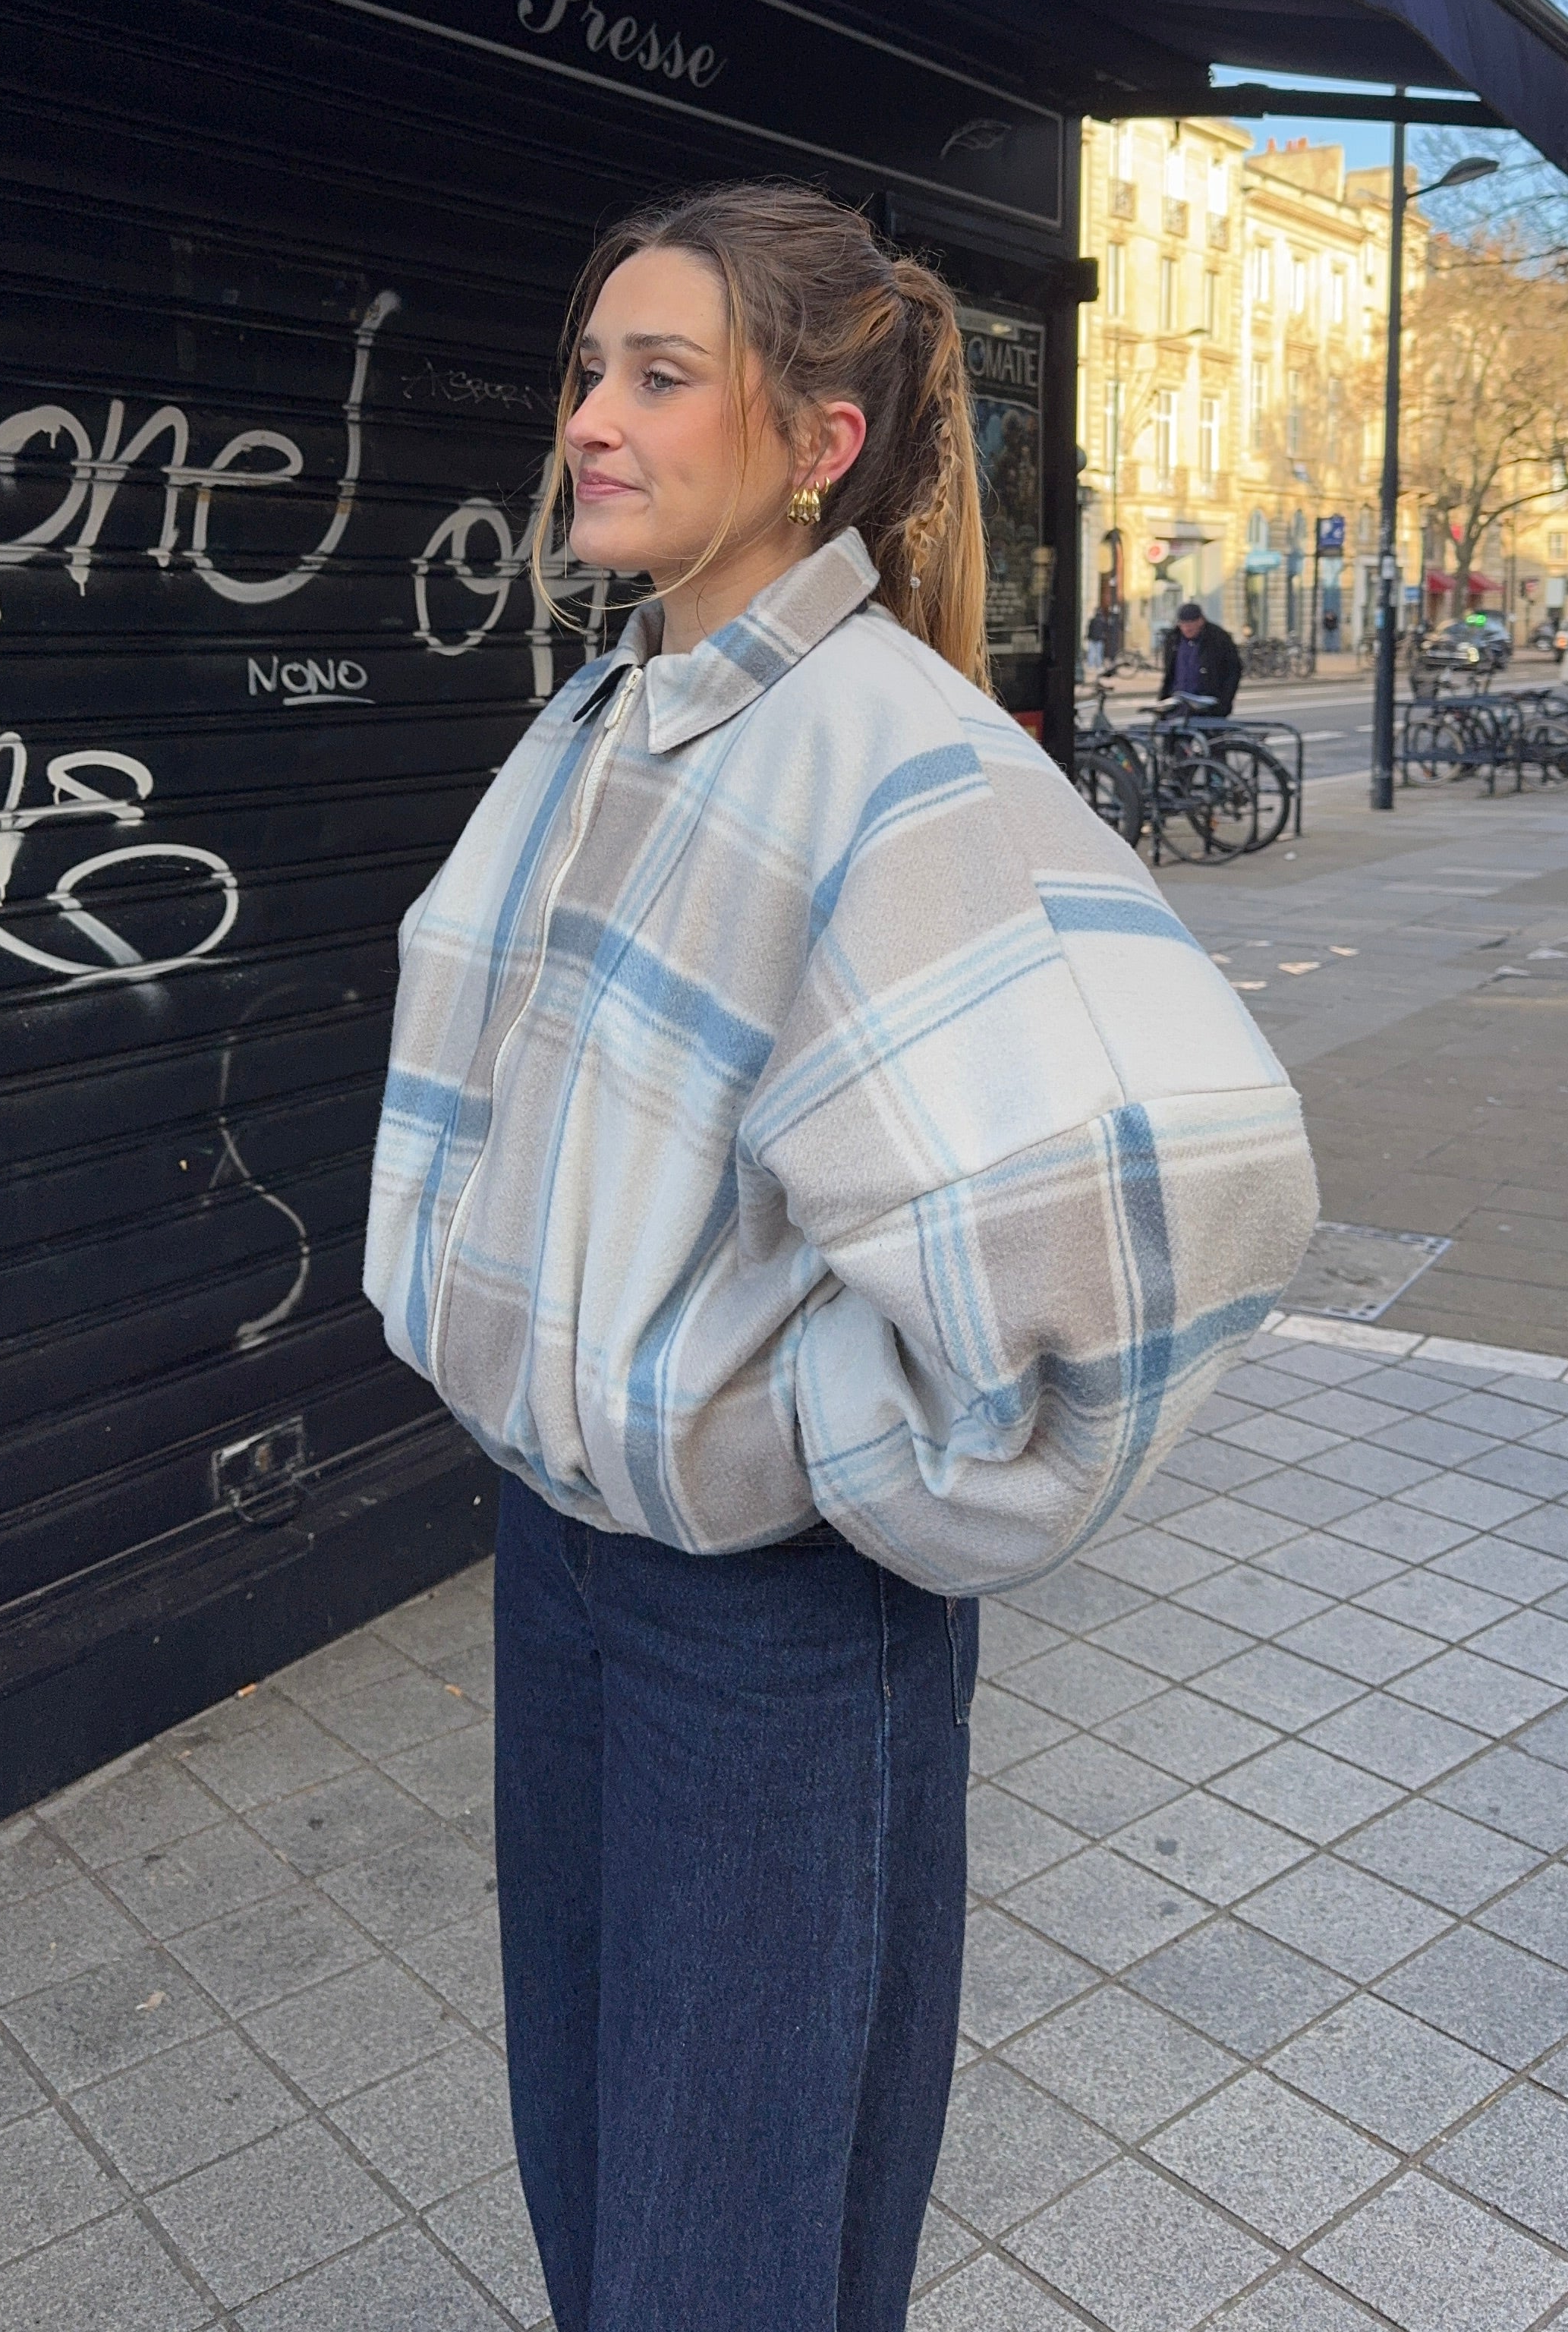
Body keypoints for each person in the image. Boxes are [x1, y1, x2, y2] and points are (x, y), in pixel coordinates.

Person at [364, 182, 1316, 2332]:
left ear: (818, 442)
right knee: (601, 2152)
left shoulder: (893, 758)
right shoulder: (614, 717)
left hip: (761, 1626)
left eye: (659, 376)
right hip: (564, 1563)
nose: (590, 420)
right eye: (588, 369)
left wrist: (824, 1453)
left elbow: (1195, 1185)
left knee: (732, 2231)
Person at [1160, 596, 1243, 714]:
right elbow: (1169, 674)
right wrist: (1163, 702)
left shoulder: (1218, 638)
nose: (1187, 628)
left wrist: (1224, 702)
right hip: (1177, 706)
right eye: (1183, 624)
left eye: (1191, 623)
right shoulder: (1173, 639)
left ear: (1201, 621)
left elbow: (1234, 670)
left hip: (1208, 706)